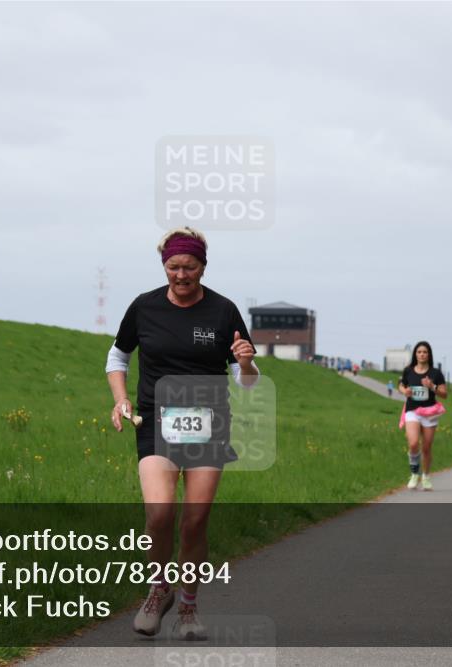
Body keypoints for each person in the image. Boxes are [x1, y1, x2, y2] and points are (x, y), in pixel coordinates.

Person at [106, 226, 259, 640]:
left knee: (195, 521)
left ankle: (189, 606)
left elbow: (247, 382)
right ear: (164, 266)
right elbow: (118, 355)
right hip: (157, 420)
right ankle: (158, 591)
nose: (180, 275)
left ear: (203, 267)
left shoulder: (224, 312)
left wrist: (246, 364)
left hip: (208, 425)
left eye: (189, 267)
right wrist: (120, 399)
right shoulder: (144, 307)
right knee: (158, 514)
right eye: (173, 267)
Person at [397, 341, 447, 491]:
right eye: (419, 352)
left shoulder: (435, 373)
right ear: (415, 354)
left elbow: (444, 394)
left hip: (429, 413)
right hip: (412, 410)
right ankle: (414, 474)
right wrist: (403, 391)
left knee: (426, 447)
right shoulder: (408, 371)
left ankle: (425, 476)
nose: (422, 354)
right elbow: (401, 385)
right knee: (413, 443)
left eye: (425, 352)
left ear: (429, 354)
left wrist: (432, 387)